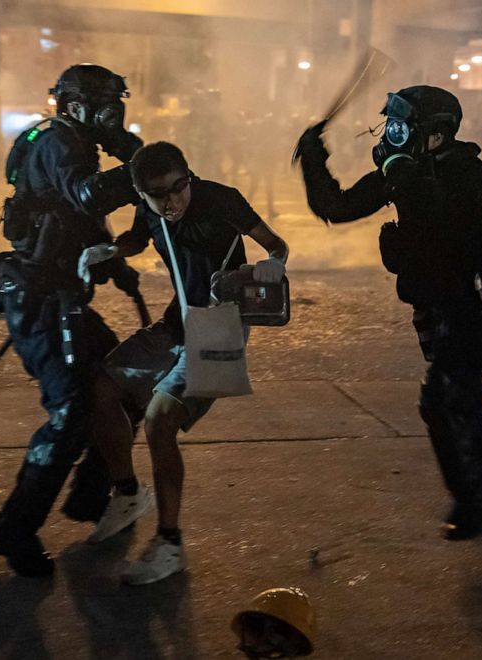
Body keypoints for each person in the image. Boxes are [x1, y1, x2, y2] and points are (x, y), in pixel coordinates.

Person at [295, 85, 482, 540]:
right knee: (467, 394)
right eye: (392, 127)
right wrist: (312, 157)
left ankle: (472, 500)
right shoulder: (404, 172)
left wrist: (404, 178)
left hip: (467, 308)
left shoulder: (472, 176)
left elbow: (452, 228)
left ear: (436, 136)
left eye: (403, 128)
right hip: (432, 305)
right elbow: (337, 206)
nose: (393, 136)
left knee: (440, 401)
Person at [86, 141, 289, 584]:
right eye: (158, 194)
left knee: (160, 420)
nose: (172, 201)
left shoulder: (222, 200)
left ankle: (171, 543)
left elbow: (276, 245)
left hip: (220, 326)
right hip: (177, 322)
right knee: (101, 387)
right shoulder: (151, 210)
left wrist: (272, 265)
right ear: (141, 195)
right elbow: (140, 238)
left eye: (180, 187)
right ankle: (127, 494)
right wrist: (112, 251)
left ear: (189, 177)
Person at [0, 64, 146, 577]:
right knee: (71, 411)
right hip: (37, 299)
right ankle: (15, 530)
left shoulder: (77, 143)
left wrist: (116, 267)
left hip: (63, 297)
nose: (115, 115)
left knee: (125, 382)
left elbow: (82, 220)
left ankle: (91, 496)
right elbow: (89, 196)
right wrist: (138, 159)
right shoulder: (59, 143)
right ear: (77, 106)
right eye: (108, 106)